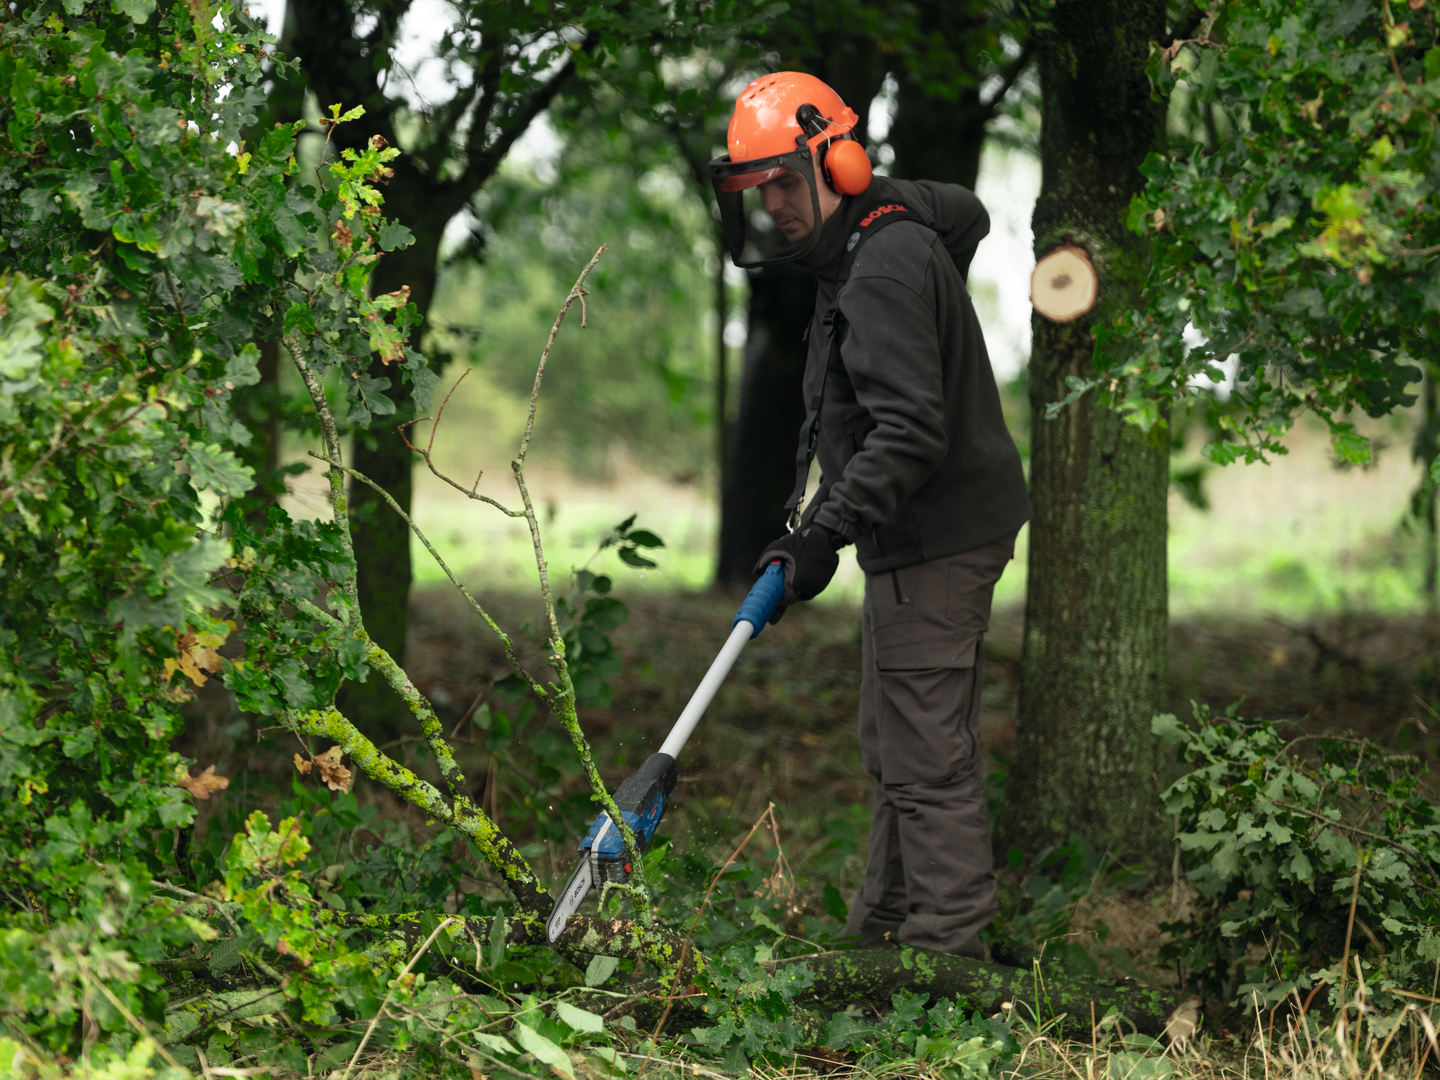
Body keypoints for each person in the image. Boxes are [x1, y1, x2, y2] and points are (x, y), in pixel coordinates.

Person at [710, 73, 1032, 959]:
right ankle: (883, 930)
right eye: (755, 188)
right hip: (911, 530)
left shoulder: (881, 261)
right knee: (890, 738)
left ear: (839, 161)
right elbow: (965, 210)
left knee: (926, 749)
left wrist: (820, 534)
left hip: (940, 528)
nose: (772, 205)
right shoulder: (872, 236)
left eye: (784, 181)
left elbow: (912, 430)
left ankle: (947, 951)